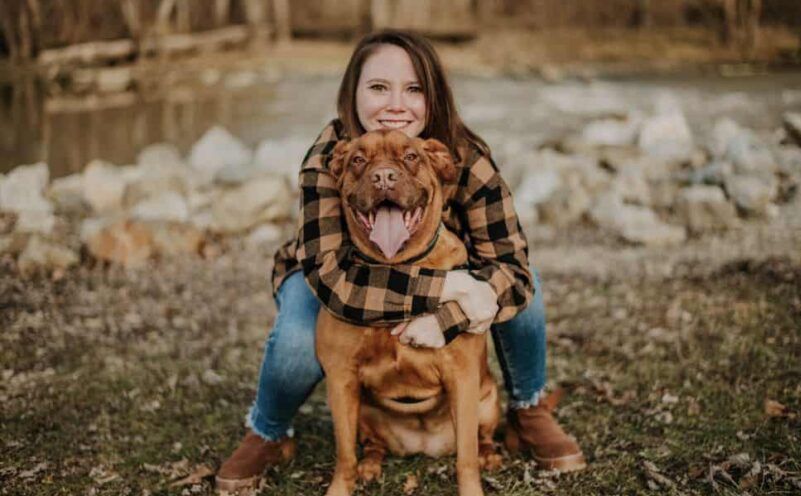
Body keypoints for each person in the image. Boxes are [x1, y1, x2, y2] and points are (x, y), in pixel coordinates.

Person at [216, 29, 586, 492]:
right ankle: (268, 430)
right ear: (351, 95)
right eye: (377, 88)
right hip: (331, 274)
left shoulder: (466, 157)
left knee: (525, 291)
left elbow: (511, 269)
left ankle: (528, 408)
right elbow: (333, 281)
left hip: (447, 265)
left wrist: (447, 320)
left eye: (413, 90)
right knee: (295, 341)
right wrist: (447, 290)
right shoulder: (329, 158)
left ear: (434, 99)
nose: (396, 104)